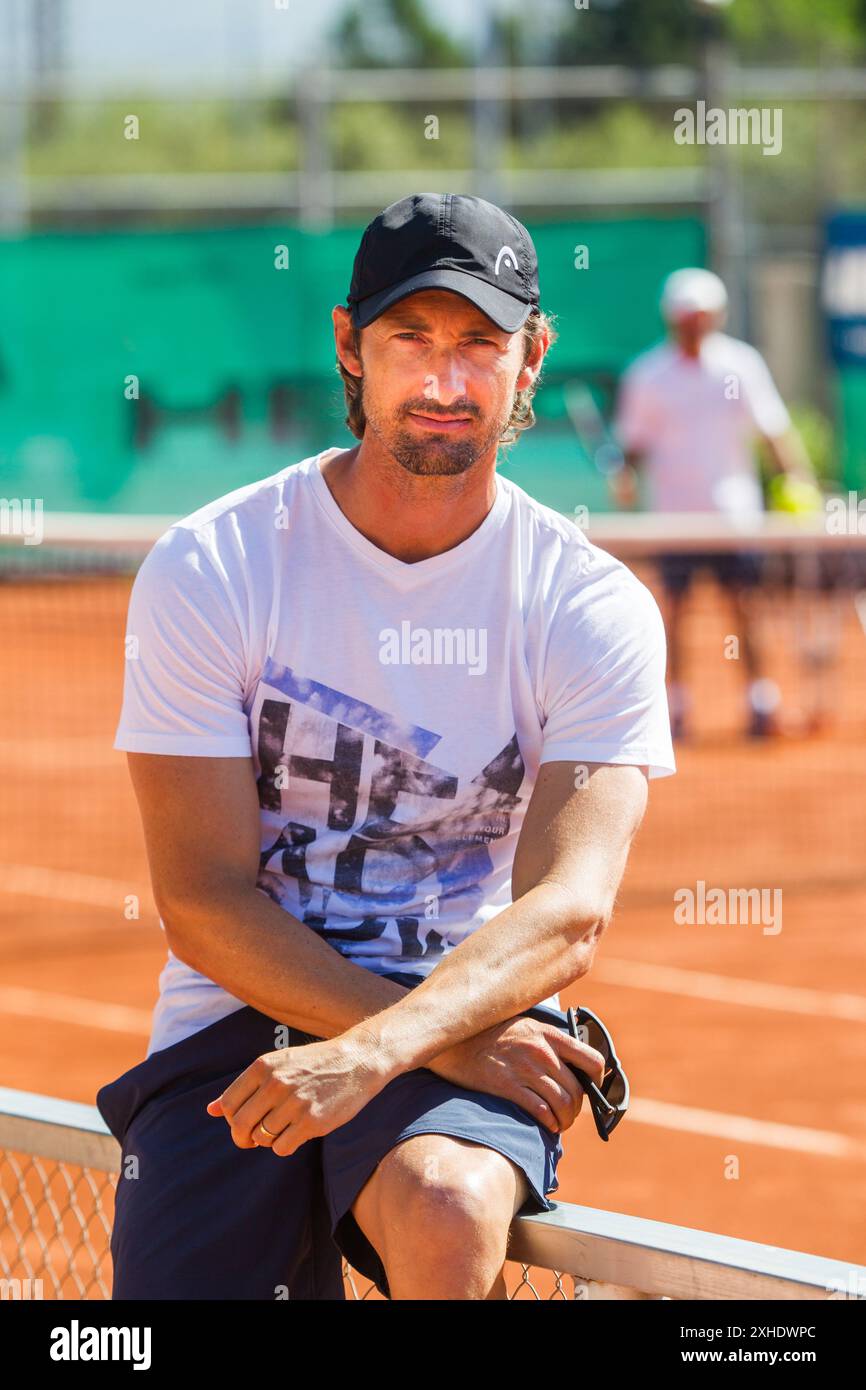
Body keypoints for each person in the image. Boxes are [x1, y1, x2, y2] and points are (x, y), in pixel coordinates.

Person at [97, 192, 675, 1302]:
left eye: (479, 345)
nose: (445, 382)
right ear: (348, 346)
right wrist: (423, 1041)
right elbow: (204, 899)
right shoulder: (213, 564)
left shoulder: (587, 604)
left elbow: (569, 909)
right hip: (242, 1023)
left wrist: (389, 1048)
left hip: (465, 997)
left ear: (532, 359)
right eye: (411, 338)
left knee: (448, 1204)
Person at [612, 267, 816, 739]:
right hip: (674, 519)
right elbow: (634, 445)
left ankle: (761, 701)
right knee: (674, 612)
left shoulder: (741, 365)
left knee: (746, 606)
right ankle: (676, 708)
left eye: (702, 315)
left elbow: (773, 433)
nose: (694, 324)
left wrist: (799, 481)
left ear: (716, 316)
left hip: (734, 518)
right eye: (686, 316)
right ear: (671, 318)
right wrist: (624, 473)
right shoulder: (647, 375)